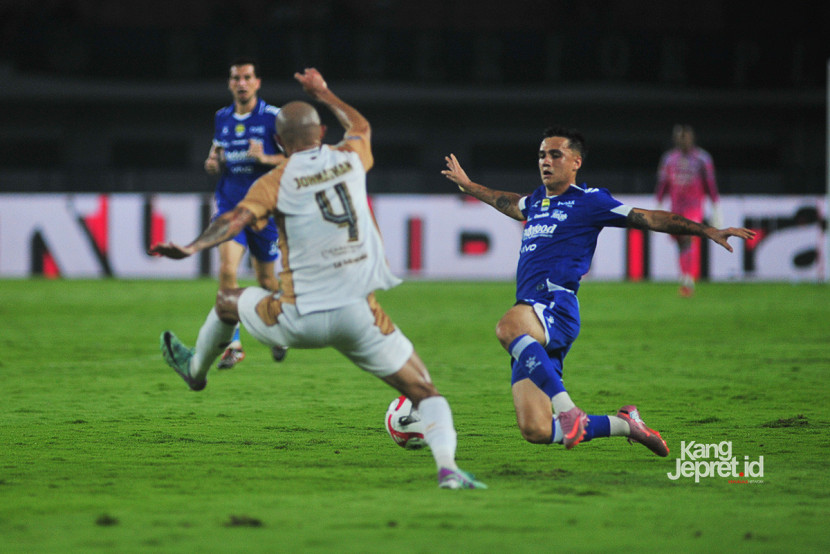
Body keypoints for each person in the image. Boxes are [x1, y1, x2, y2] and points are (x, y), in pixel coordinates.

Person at [150, 68, 486, 490]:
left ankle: (194, 369)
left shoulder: (275, 180)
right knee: (426, 391)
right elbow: (361, 125)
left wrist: (191, 248)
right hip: (358, 315)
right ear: (321, 131)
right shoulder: (350, 157)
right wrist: (324, 91)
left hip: (295, 317)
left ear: (278, 142)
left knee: (227, 301)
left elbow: (234, 220)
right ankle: (448, 471)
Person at [442, 126, 755, 454]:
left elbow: (648, 218)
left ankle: (568, 408)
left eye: (555, 154)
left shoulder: (590, 201)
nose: (545, 161)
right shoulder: (535, 201)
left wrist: (706, 230)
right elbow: (505, 202)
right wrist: (469, 185)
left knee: (507, 327)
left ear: (575, 162)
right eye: (541, 155)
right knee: (535, 429)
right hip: (534, 318)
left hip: (555, 303)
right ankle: (626, 424)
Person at [205, 57, 288, 368]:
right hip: (231, 208)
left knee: (267, 281)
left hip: (264, 209)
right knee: (228, 271)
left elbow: (295, 160)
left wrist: (265, 157)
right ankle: (234, 344)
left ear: (257, 82)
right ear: (230, 83)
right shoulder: (222, 118)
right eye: (236, 77)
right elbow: (216, 155)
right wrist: (212, 163)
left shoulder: (273, 117)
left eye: (247, 77)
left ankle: (277, 331)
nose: (241, 82)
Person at [656, 124, 722, 296]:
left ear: (691, 138)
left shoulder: (702, 159)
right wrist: (658, 204)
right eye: (679, 137)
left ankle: (688, 281)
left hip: (694, 207)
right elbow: (663, 184)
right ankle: (685, 276)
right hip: (676, 207)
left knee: (687, 237)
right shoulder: (669, 159)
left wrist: (716, 208)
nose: (682, 140)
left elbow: (710, 184)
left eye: (685, 137)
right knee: (680, 242)